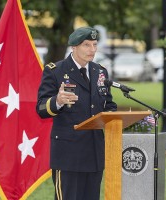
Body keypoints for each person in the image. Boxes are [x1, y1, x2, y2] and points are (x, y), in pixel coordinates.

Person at [36, 26, 117, 200]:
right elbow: (41, 109)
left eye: (95, 44)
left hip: (94, 153)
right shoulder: (55, 71)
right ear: (74, 47)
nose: (92, 50)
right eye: (87, 45)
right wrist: (57, 101)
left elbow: (108, 105)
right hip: (68, 155)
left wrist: (115, 118)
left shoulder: (100, 72)